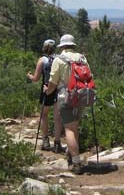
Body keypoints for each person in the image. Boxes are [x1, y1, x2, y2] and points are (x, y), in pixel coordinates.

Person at [44, 34, 89, 174]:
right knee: (75, 127)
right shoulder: (82, 58)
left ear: (62, 46)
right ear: (73, 45)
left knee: (69, 129)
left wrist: (47, 91)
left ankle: (76, 162)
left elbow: (53, 82)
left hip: (65, 97)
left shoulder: (59, 59)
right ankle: (72, 154)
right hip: (81, 96)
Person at [27, 39, 64, 153]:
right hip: (58, 89)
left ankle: (45, 141)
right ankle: (57, 143)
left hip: (46, 89)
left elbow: (36, 78)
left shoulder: (42, 60)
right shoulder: (59, 59)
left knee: (44, 115)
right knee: (58, 117)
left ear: (44, 47)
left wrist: (29, 76)